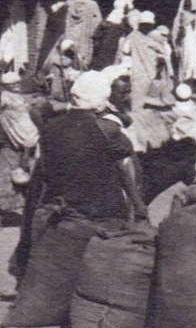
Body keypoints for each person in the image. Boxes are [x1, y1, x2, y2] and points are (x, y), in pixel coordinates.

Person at [33, 69, 146, 224]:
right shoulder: (107, 129)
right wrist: (138, 204)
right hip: (99, 214)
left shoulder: (50, 128)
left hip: (59, 209)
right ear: (101, 102)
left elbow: (43, 173)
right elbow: (126, 154)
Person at [0, 70, 39, 231]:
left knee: (23, 179)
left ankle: (26, 217)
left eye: (17, 83)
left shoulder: (20, 100)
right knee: (6, 179)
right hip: (10, 142)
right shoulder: (5, 99)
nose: (16, 86)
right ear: (6, 86)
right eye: (12, 85)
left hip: (24, 142)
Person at [63, 0, 102, 69]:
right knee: (81, 60)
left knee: (69, 56)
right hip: (84, 35)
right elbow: (98, 22)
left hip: (71, 34)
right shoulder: (92, 5)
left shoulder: (72, 3)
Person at [92, 0, 134, 71]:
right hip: (112, 44)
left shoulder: (110, 15)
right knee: (108, 63)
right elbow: (130, 31)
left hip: (103, 43)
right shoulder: (122, 18)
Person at [0, 0, 30, 74]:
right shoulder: (18, 8)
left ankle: (11, 70)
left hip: (15, 33)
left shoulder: (17, 8)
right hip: (13, 32)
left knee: (11, 51)